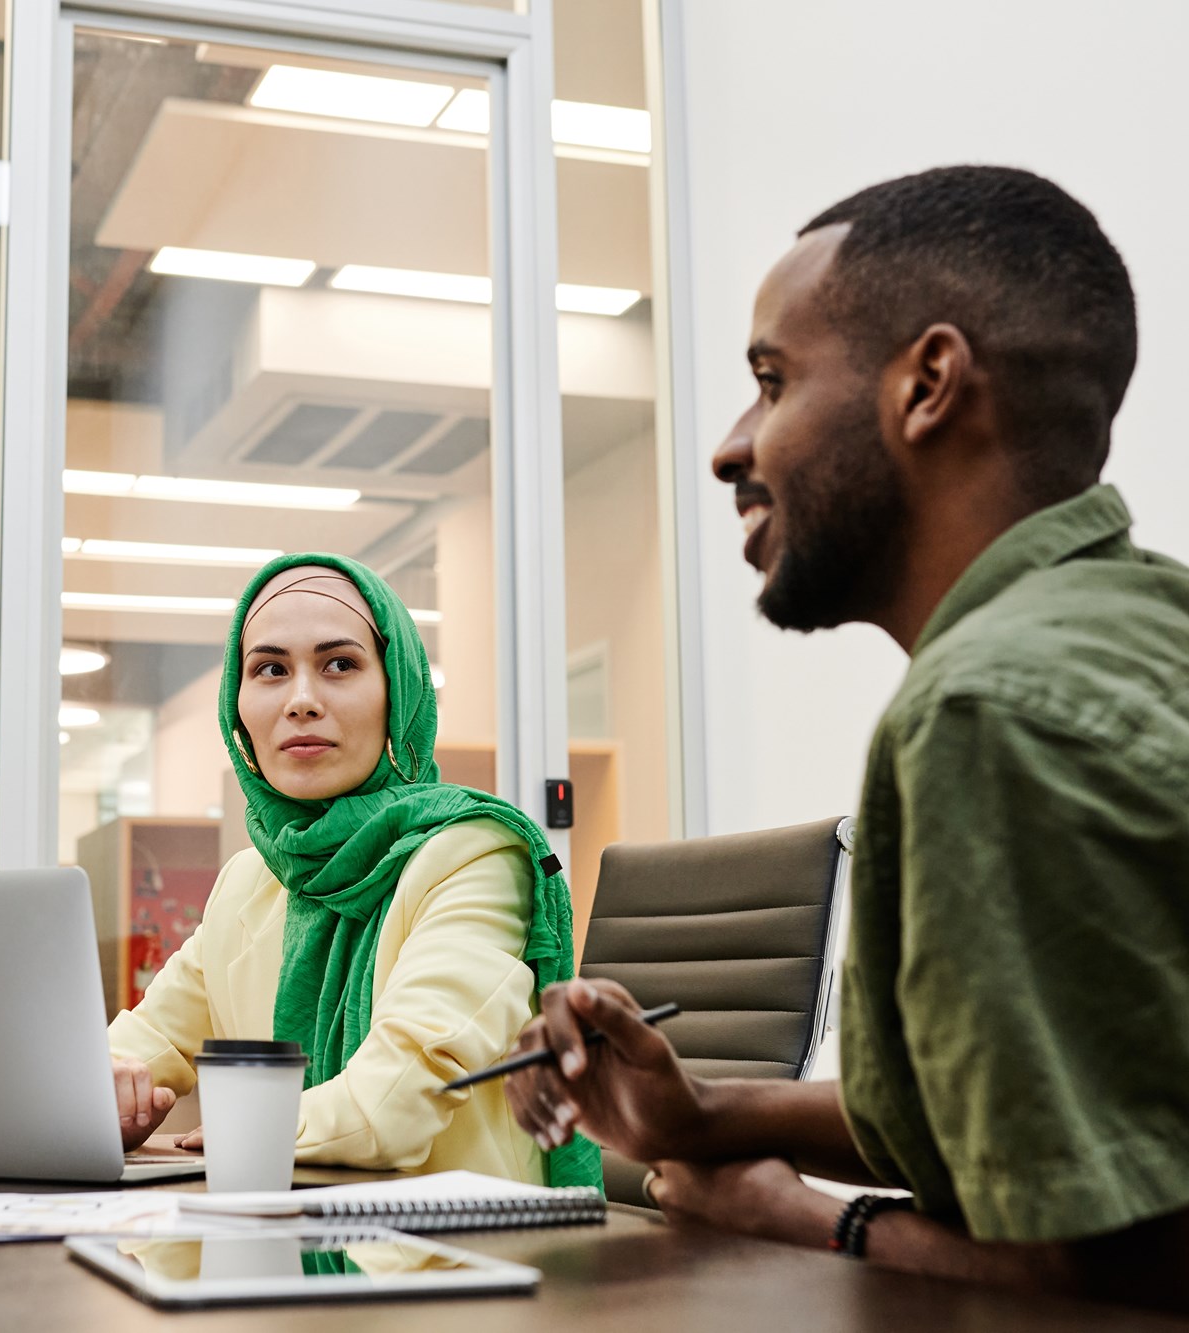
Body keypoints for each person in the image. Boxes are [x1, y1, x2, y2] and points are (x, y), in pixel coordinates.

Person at [503, 166, 1189, 1311]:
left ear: (926, 385)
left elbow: (1130, 1269)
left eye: (769, 382)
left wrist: (809, 1220)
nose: (731, 448)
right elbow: (1022, 1131)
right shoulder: (1137, 623)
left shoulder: (989, 713)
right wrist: (704, 1114)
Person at [107, 555, 599, 1188]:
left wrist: (253, 1128)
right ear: (238, 706)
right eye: (270, 670)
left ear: (397, 689)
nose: (302, 700)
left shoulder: (475, 856)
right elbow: (147, 1040)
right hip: (282, 1241)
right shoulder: (250, 882)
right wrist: (107, 1091)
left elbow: (392, 1104)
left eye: (339, 664)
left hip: (453, 1257)